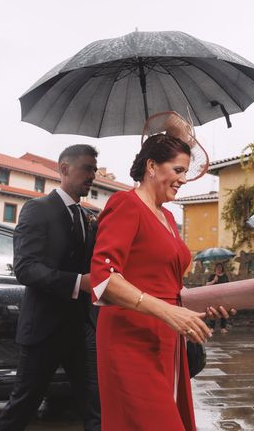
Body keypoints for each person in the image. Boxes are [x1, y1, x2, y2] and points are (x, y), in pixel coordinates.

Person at [89, 132, 231, 431]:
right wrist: (168, 312)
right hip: (129, 337)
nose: (183, 179)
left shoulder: (167, 216)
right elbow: (104, 278)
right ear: (151, 166)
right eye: (178, 170)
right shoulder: (125, 204)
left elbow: (169, 284)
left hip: (166, 336)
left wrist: (200, 307)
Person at [0, 145, 100, 431]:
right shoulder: (37, 210)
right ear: (64, 169)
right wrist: (79, 283)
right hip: (44, 330)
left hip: (82, 329)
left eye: (95, 169)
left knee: (97, 408)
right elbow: (25, 267)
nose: (93, 175)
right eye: (87, 168)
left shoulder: (89, 218)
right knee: (22, 407)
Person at [205, 262, 230, 334]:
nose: (219, 269)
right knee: (212, 312)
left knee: (223, 311)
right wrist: (214, 281)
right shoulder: (212, 276)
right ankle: (212, 327)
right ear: (215, 268)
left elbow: (228, 285)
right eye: (218, 267)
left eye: (220, 267)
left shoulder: (225, 276)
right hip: (213, 296)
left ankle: (223, 327)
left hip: (223, 296)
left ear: (222, 268)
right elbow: (207, 285)